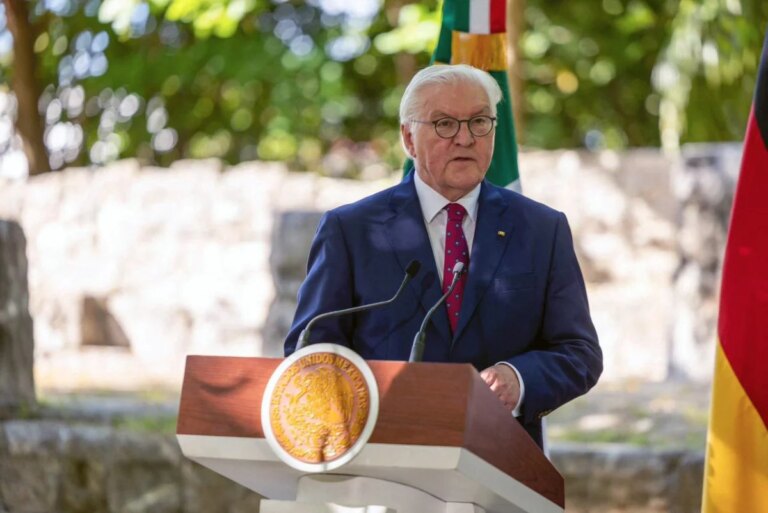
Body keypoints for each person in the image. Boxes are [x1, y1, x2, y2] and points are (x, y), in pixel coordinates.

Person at [284, 64, 602, 448]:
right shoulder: (351, 230)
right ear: (408, 139)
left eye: (479, 122)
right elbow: (311, 351)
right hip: (382, 457)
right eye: (445, 124)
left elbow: (579, 353)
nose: (465, 138)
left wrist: (518, 379)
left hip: (502, 458)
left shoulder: (542, 229)